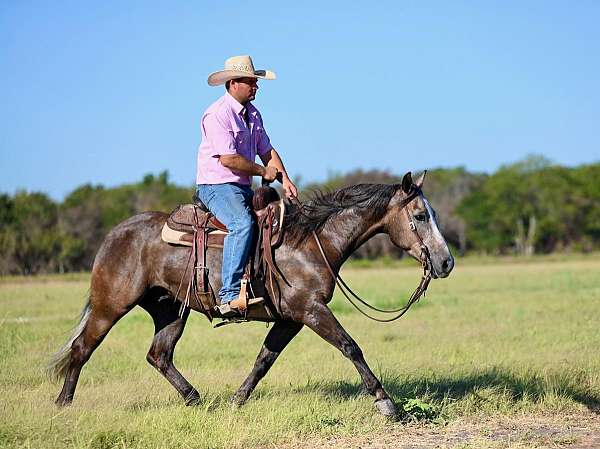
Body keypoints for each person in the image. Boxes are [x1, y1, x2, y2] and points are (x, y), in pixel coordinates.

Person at [196, 55, 297, 317]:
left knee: (274, 223)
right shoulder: (217, 114)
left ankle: (259, 284)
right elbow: (229, 159)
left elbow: (267, 150)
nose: (256, 86)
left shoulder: (253, 114)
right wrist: (265, 172)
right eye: (251, 82)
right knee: (242, 224)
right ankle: (229, 295)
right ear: (233, 84)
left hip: (241, 186)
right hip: (216, 185)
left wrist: (284, 177)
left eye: (256, 81)